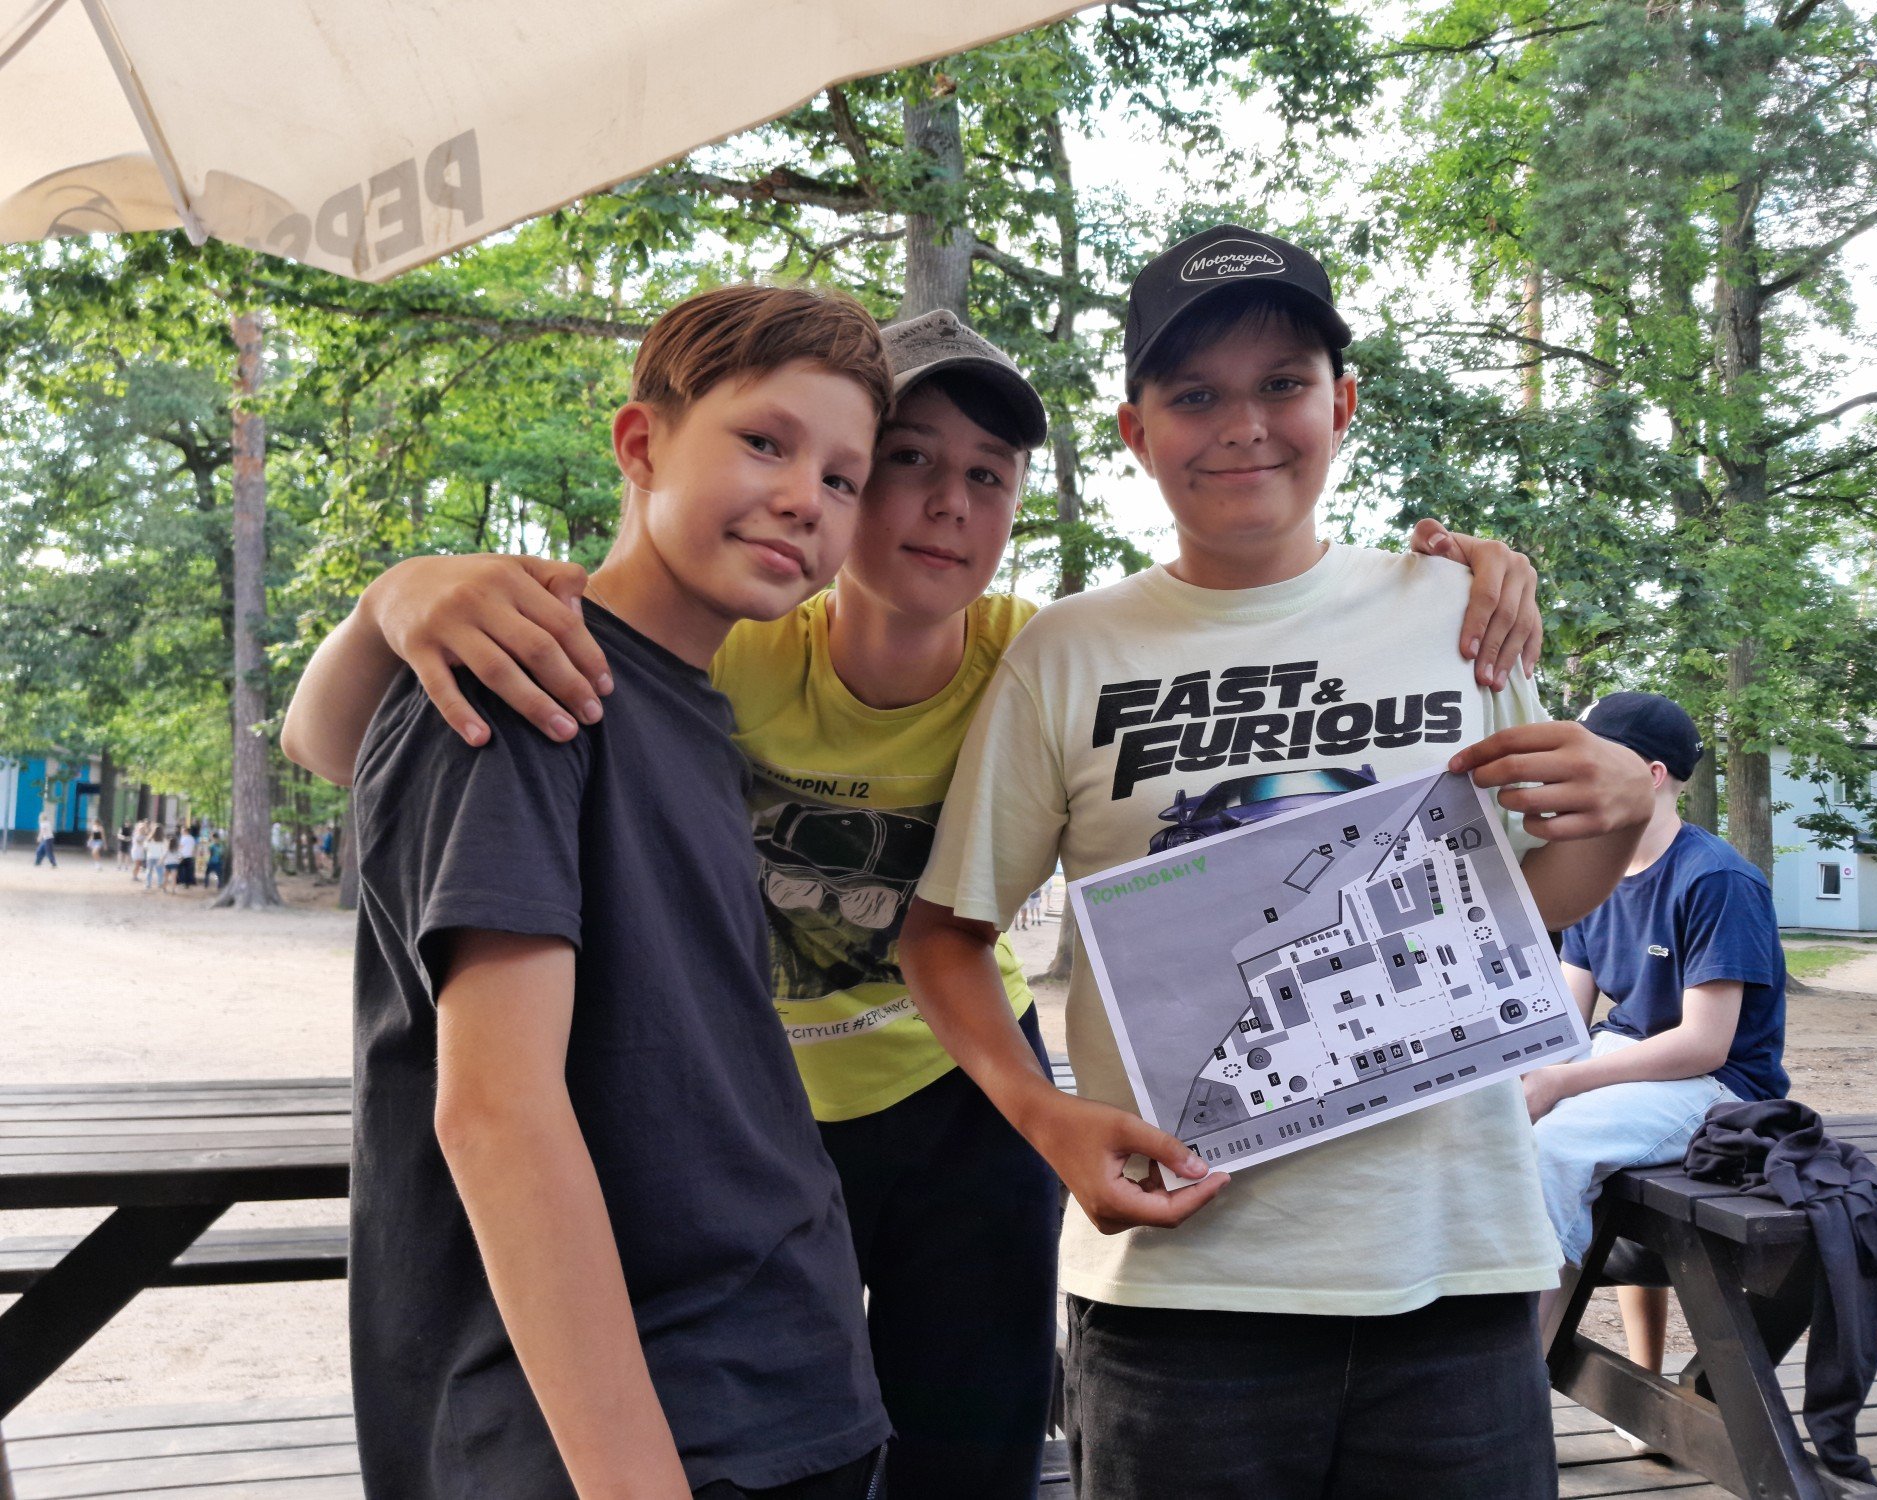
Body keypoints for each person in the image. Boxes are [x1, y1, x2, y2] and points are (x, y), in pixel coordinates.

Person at [281, 306, 1546, 1498]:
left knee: (963, 1433)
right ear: (642, 443)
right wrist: (396, 599)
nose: (938, 503)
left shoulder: (1037, 656)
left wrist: (1456, 579)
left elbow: (1216, 655)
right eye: (893, 463)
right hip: (758, 1112)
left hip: (932, 1113)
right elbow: (367, 764)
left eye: (981, 476)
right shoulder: (703, 652)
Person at [897, 224, 1657, 1500]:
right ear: (1135, 432)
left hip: (1452, 1270)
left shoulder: (1457, 613)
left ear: (1340, 404)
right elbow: (942, 934)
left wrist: (1618, 819)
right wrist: (1046, 1119)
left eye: (1281, 384)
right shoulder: (1065, 653)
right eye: (1194, 395)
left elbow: (1517, 914)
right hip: (1177, 1288)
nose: (1242, 426)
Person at [285, 284, 892, 1500]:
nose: (803, 498)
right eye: (763, 442)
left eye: (842, 478)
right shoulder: (525, 672)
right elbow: (495, 1111)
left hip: (785, 1382)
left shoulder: (699, 707)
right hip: (627, 1435)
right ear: (640, 444)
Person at [1526, 691, 1788, 1399]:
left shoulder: (1717, 878)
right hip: (1627, 1057)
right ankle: (1636, 1374)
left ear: (1649, 774)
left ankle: (1510, 1385)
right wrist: (1524, 1074)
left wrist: (1559, 1084)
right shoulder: (1591, 868)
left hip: (1719, 1087)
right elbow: (1562, 1019)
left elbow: (1705, 1044)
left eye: (1592, 758)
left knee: (1554, 1148)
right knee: (1492, 1123)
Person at [143, 825, 168, 892]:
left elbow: (145, 847)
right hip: (159, 857)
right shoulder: (163, 840)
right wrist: (163, 858)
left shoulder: (149, 839)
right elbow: (165, 850)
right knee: (160, 872)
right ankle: (160, 883)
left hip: (150, 857)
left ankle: (148, 884)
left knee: (149, 871)